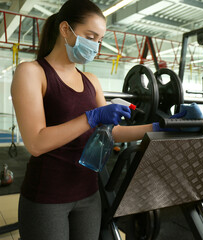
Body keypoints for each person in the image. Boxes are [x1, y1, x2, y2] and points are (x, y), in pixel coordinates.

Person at [10, 0, 155, 239]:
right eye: (91, 36)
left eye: (99, 40)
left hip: (89, 193)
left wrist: (161, 127)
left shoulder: (90, 79)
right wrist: (92, 117)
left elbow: (114, 132)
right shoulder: (32, 72)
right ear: (65, 29)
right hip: (47, 197)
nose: (96, 46)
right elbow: (36, 143)